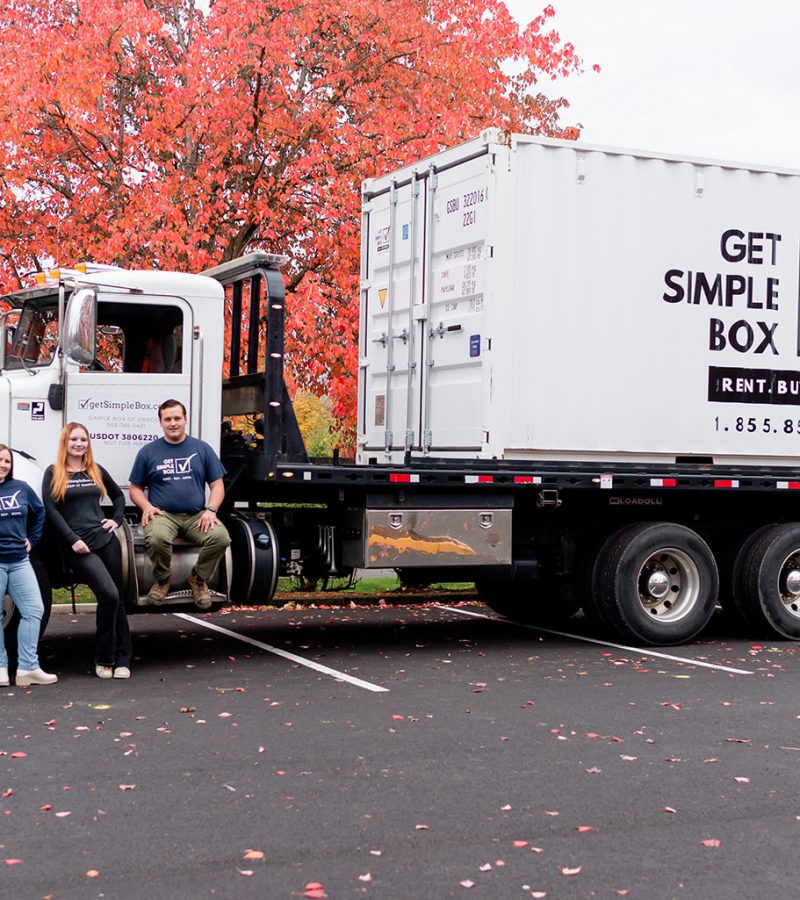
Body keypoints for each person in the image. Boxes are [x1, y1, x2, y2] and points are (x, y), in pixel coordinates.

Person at [43, 424, 131, 679]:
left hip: (106, 541)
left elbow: (118, 496)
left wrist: (116, 519)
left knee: (118, 599)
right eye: (74, 439)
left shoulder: (95, 469)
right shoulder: (54, 472)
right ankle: (104, 658)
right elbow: (51, 511)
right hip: (78, 546)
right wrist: (72, 539)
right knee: (108, 595)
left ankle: (123, 660)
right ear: (65, 442)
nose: (79, 444)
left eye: (83, 439)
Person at [129, 399, 230, 610]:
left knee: (221, 538)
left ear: (185, 420)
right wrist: (146, 506)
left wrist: (211, 510)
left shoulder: (202, 449)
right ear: (161, 422)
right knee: (156, 538)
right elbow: (135, 489)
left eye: (177, 418)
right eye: (168, 419)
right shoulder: (148, 452)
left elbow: (217, 485)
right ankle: (162, 580)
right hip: (163, 515)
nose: (173, 423)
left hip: (196, 516)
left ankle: (198, 579)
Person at [0, 444, 57, 687]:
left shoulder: (21, 488)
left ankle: (28, 667)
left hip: (20, 560)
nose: (3, 465)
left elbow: (40, 512)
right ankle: (1, 668)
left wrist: (32, 539)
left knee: (34, 610)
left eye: (6, 461)